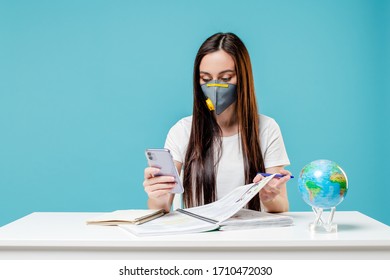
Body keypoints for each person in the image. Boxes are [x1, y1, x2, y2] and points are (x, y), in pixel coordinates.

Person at [143, 32, 291, 213]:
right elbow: (162, 206)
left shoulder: (267, 129)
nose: (214, 87)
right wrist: (157, 195)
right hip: (198, 238)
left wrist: (271, 197)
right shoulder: (182, 130)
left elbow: (281, 205)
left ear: (243, 78)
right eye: (205, 79)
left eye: (226, 78)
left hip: (249, 237)